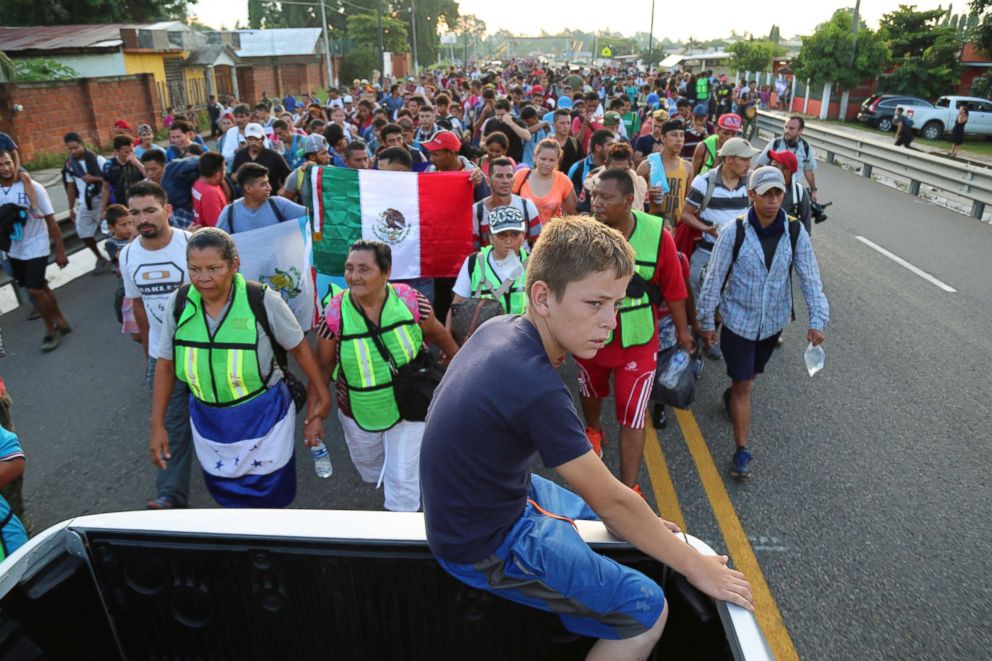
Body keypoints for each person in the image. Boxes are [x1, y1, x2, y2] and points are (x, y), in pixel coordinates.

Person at [421, 216, 753, 658]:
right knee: (647, 608)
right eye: (595, 303)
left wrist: (643, 526)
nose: (609, 321)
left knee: (618, 525)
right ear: (542, 297)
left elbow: (610, 502)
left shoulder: (499, 328)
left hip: (485, 498)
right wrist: (695, 565)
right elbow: (611, 500)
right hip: (482, 543)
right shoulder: (535, 386)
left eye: (615, 304)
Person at [151, 228, 331, 507]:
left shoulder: (262, 301)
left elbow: (300, 349)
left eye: (214, 268)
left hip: (264, 417)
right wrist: (157, 424)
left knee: (270, 492)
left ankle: (270, 542)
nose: (203, 278)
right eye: (194, 269)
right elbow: (165, 363)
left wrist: (322, 396)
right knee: (225, 491)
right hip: (207, 420)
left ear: (235, 264)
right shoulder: (179, 303)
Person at [696, 167, 828, 477]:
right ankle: (742, 450)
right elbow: (713, 279)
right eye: (766, 193)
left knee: (749, 378)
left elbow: (810, 278)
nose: (772, 200)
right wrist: (706, 322)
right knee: (745, 385)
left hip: (772, 325)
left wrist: (818, 319)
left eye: (778, 194)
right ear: (751, 195)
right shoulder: (734, 232)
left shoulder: (795, 232)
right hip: (738, 322)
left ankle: (733, 395)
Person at [312, 241, 459, 512]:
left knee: (402, 480)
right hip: (357, 409)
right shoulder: (334, 313)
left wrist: (461, 370)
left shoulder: (410, 300)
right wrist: (316, 414)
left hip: (411, 403)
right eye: (349, 268)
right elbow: (322, 365)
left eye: (364, 269)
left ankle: (398, 541)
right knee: (369, 466)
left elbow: (438, 333)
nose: (354, 277)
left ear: (386, 272)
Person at [577, 170, 693, 491]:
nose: (596, 203)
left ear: (629, 201)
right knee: (590, 392)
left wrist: (684, 335)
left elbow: (675, 290)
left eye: (606, 198)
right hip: (591, 340)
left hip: (638, 341)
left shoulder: (658, 235)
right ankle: (593, 427)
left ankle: (628, 490)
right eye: (594, 195)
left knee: (632, 416)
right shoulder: (583, 234)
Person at [119, 181, 193, 509]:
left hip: (206, 354)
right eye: (134, 213)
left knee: (223, 419)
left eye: (150, 210)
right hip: (163, 358)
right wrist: (150, 350)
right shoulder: (128, 254)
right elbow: (137, 304)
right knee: (169, 424)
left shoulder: (192, 244)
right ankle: (170, 497)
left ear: (168, 210)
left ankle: (241, 481)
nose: (142, 218)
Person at [680, 138, 757, 359]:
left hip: (736, 255)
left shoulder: (749, 183)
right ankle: (691, 336)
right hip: (706, 251)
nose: (748, 165)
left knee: (725, 298)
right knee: (696, 294)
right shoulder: (704, 182)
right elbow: (686, 214)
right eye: (744, 159)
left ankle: (711, 338)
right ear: (729, 159)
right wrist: (707, 228)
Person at [0, 150, 70, 351]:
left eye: (7, 163)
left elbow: (51, 220)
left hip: (36, 244)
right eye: (0, 165)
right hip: (14, 248)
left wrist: (60, 250)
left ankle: (51, 329)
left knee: (33, 289)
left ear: (14, 162)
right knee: (41, 286)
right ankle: (61, 320)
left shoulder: (33, 187)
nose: (5, 168)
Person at [452, 206, 529, 316]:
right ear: (491, 238)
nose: (508, 241)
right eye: (502, 235)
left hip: (523, 331)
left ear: (523, 236)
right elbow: (456, 307)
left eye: (514, 235)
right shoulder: (474, 263)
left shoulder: (534, 263)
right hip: (484, 332)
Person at [62, 132, 110, 271]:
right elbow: (71, 187)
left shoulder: (97, 159)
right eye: (70, 149)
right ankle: (100, 258)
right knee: (82, 231)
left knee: (110, 231)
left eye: (76, 147)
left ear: (83, 144)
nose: (73, 151)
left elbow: (109, 179)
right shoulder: (70, 164)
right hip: (85, 203)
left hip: (102, 200)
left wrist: (93, 179)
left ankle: (116, 259)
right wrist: (71, 208)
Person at [217, 163, 307, 234]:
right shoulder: (229, 213)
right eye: (263, 184)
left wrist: (316, 171)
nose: (270, 188)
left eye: (268, 183)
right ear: (248, 188)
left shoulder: (278, 204)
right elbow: (217, 242)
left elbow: (312, 215)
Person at [636, 119, 692, 230]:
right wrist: (648, 195)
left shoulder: (688, 167)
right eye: (674, 135)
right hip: (651, 226)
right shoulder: (648, 165)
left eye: (682, 135)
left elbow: (687, 200)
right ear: (663, 138)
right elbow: (635, 198)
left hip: (676, 228)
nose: (679, 140)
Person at [475, 157, 541, 249]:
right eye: (499, 176)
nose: (505, 181)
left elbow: (539, 244)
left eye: (509, 176)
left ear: (513, 180)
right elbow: (475, 249)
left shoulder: (527, 206)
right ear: (488, 181)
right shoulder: (477, 211)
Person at [513, 140, 576, 226]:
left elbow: (574, 212)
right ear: (535, 158)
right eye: (543, 159)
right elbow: (508, 203)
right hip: (523, 235)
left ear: (558, 161)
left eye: (551, 160)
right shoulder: (521, 175)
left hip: (552, 236)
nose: (546, 163)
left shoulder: (563, 180)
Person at [756, 116, 819, 203]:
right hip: (772, 186)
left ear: (800, 130)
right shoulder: (775, 144)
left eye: (791, 128)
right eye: (786, 127)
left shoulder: (805, 147)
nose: (787, 131)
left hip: (792, 190)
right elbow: (760, 166)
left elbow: (809, 172)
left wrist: (813, 191)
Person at [103, 204, 139, 339]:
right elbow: (121, 256)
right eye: (123, 225)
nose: (129, 227)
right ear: (112, 228)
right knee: (121, 295)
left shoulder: (139, 236)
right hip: (125, 278)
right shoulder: (110, 243)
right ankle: (123, 318)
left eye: (130, 223)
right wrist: (132, 240)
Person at [231, 123, 292, 194]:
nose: (253, 143)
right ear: (246, 139)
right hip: (247, 197)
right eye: (250, 139)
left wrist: (283, 189)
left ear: (262, 139)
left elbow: (288, 175)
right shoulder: (240, 155)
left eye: (256, 139)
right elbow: (233, 174)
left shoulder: (273, 156)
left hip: (269, 197)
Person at [99, 135, 147, 225]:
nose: (129, 155)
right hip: (119, 205)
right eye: (126, 152)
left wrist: (137, 164)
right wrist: (102, 210)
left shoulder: (138, 162)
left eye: (132, 151)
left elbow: (149, 177)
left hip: (137, 203)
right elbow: (105, 188)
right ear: (116, 152)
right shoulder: (109, 166)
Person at [567, 129, 616, 213]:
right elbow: (569, 196)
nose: (614, 148)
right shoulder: (577, 168)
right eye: (610, 145)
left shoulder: (617, 167)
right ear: (598, 147)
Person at [766, 150, 812, 233]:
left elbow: (806, 228)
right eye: (770, 165)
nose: (770, 169)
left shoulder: (800, 193)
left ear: (787, 171)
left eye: (774, 167)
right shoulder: (762, 187)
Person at [281, 135, 331, 202]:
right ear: (312, 157)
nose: (329, 156)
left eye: (327, 152)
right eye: (324, 153)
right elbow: (286, 204)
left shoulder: (333, 171)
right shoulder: (297, 176)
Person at [692, 113, 741, 178]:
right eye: (726, 133)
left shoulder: (740, 150)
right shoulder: (703, 147)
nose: (730, 138)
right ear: (717, 130)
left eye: (733, 134)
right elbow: (692, 175)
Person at [191, 152, 228, 230]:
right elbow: (218, 227)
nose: (225, 174)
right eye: (224, 170)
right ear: (218, 174)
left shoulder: (197, 183)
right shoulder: (210, 193)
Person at [551, 108, 582, 175]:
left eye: (568, 123)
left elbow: (580, 168)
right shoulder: (547, 143)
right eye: (562, 123)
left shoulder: (576, 144)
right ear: (554, 124)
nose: (566, 126)